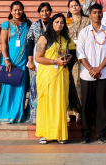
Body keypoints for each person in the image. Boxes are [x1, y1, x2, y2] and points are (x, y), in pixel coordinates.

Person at [34, 13, 76, 144]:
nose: (59, 24)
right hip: (47, 76)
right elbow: (38, 58)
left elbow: (71, 53)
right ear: (52, 23)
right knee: (46, 104)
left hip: (61, 76)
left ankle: (59, 134)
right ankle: (45, 134)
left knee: (60, 104)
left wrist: (69, 57)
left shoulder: (66, 39)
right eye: (57, 22)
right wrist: (54, 61)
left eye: (62, 22)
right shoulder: (44, 38)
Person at [76, 4, 106, 144]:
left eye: (99, 12)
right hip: (87, 75)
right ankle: (85, 134)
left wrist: (98, 69)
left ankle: (101, 133)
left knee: (103, 105)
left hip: (104, 74)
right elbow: (80, 53)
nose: (97, 15)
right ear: (90, 15)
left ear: (102, 15)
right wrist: (91, 69)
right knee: (86, 104)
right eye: (94, 12)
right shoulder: (84, 32)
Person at [0, 1, 30, 124]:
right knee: (6, 88)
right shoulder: (6, 24)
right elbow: (3, 43)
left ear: (23, 10)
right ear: (11, 11)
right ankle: (3, 114)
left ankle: (17, 115)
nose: (17, 12)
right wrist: (7, 59)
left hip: (22, 62)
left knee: (20, 89)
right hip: (8, 60)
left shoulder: (28, 24)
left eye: (19, 9)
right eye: (15, 10)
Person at [25, 2, 52, 124]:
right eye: (42, 11)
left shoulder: (54, 23)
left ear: (50, 11)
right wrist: (30, 61)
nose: (44, 13)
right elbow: (30, 43)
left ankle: (49, 115)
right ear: (39, 13)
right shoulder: (34, 25)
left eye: (47, 10)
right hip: (36, 59)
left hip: (51, 58)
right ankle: (35, 116)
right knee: (35, 87)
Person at [67, 0, 91, 121]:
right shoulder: (66, 21)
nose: (74, 7)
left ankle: (83, 112)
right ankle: (72, 111)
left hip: (85, 55)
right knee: (71, 82)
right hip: (70, 56)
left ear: (80, 7)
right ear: (69, 9)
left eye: (76, 5)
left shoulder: (87, 20)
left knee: (80, 83)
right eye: (72, 6)